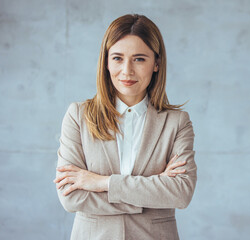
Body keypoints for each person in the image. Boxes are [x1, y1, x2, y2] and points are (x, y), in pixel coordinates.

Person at [53, 14, 196, 240]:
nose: (127, 71)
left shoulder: (176, 122)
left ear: (156, 63)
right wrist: (150, 194)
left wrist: (102, 182)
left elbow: (180, 193)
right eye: (118, 58)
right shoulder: (78, 116)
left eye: (139, 59)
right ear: (106, 62)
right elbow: (72, 197)